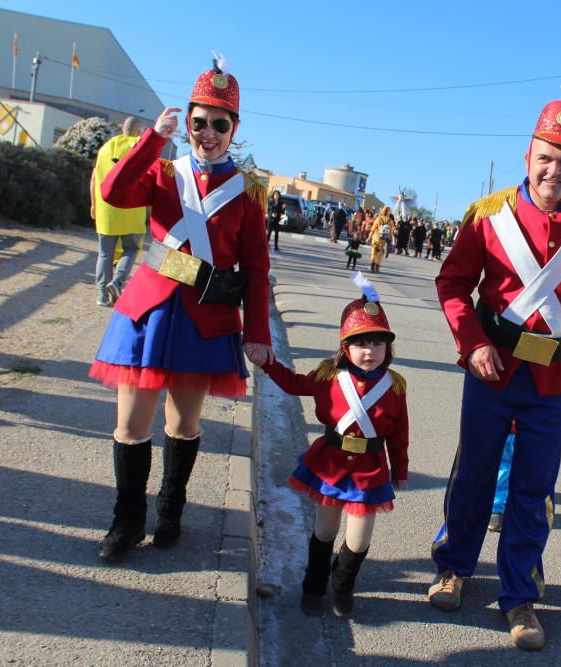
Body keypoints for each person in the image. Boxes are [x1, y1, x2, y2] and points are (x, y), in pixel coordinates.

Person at [428, 85, 561, 651]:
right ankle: (453, 566)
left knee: (533, 488)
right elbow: (453, 284)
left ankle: (519, 593)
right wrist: (470, 342)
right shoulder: (489, 216)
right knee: (474, 473)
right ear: (528, 157)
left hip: (556, 379)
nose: (554, 171)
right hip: (492, 369)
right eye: (545, 158)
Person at [88, 59, 274, 563]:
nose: (207, 133)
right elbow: (112, 191)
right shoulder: (162, 171)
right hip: (148, 311)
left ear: (234, 130)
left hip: (205, 319)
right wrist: (153, 137)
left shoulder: (249, 194)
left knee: (184, 425)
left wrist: (258, 332)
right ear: (185, 122)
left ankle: (171, 509)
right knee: (130, 426)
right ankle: (125, 522)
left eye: (220, 124)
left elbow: (257, 269)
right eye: (199, 122)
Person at [258, 278, 409, 617]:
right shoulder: (329, 376)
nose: (369, 351)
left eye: (377, 342)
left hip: (370, 472)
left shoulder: (395, 386)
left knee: (358, 541)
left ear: (388, 347)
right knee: (324, 531)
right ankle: (313, 587)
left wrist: (400, 470)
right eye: (360, 343)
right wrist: (267, 361)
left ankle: (343, 584)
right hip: (330, 466)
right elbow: (294, 384)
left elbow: (399, 435)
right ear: (345, 346)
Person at [90, 116, 148, 306]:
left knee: (105, 254)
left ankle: (101, 294)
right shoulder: (140, 146)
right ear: (139, 132)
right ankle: (117, 282)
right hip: (132, 210)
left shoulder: (106, 148)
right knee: (131, 248)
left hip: (106, 211)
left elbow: (94, 178)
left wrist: (93, 204)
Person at [369, 206, 393, 273]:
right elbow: (391, 232)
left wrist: (368, 238)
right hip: (384, 239)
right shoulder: (390, 221)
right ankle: (377, 267)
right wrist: (391, 240)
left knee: (374, 251)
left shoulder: (378, 218)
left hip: (376, 237)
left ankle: (372, 266)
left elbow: (372, 229)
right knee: (380, 253)